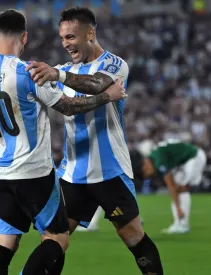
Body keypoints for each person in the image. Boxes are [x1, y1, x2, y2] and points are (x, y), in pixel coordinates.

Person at [0, 9, 127, 275]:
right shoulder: (29, 72)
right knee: (58, 237)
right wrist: (107, 97)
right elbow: (68, 107)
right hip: (33, 172)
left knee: (4, 243)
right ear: (25, 37)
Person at [26, 7, 164, 275]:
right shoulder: (62, 70)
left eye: (71, 37)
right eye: (62, 38)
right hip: (72, 173)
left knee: (133, 236)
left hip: (109, 170)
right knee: (54, 239)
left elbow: (96, 84)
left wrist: (59, 75)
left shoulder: (114, 64)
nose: (66, 44)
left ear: (90, 33)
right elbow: (67, 106)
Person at [133, 139, 207, 234]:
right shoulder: (156, 156)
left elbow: (171, 185)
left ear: (145, 166)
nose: (151, 175)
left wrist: (178, 208)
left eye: (147, 174)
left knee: (181, 189)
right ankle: (179, 223)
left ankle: (182, 224)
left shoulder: (158, 160)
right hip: (185, 161)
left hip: (194, 157)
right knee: (179, 189)